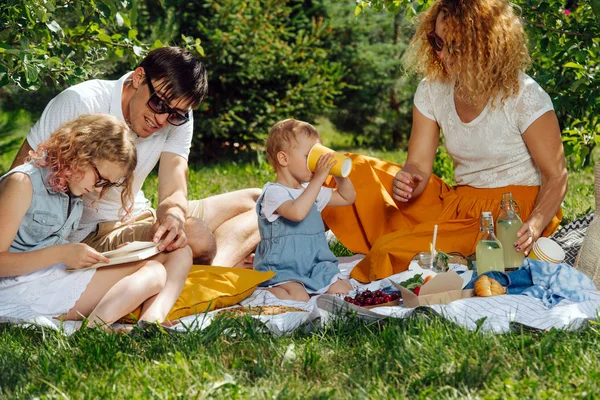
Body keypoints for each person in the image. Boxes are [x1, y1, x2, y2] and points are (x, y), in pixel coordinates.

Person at [321, 0, 568, 282]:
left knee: (391, 249)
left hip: (509, 214)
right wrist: (408, 179)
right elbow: (417, 165)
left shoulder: (524, 95)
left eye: (456, 46)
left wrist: (535, 225)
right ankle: (291, 243)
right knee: (347, 169)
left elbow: (556, 176)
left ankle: (416, 250)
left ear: (487, 44)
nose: (444, 56)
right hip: (458, 201)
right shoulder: (432, 88)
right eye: (437, 42)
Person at [10, 47, 260, 268]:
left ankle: (209, 268)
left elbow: (174, 187)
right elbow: (20, 173)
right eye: (159, 104)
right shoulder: (82, 101)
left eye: (175, 114)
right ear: (139, 77)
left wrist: (172, 218)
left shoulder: (178, 115)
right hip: (90, 232)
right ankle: (215, 272)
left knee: (259, 201)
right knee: (197, 236)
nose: (163, 120)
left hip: (140, 213)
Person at [0, 114, 192, 327]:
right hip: (14, 287)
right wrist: (61, 253)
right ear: (79, 153)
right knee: (153, 275)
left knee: (158, 268)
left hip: (47, 275)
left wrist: (116, 256)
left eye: (107, 184)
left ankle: (149, 325)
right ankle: (93, 330)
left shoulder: (70, 190)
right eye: (100, 178)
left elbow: (51, 245)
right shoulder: (22, 183)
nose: (99, 189)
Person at [253, 119, 356, 301]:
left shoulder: (310, 189)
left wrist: (338, 173)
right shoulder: (274, 192)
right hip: (283, 268)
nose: (316, 163)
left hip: (315, 265)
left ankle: (316, 288)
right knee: (299, 299)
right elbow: (296, 213)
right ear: (284, 158)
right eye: (310, 157)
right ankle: (262, 291)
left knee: (344, 291)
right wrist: (319, 179)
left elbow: (347, 198)